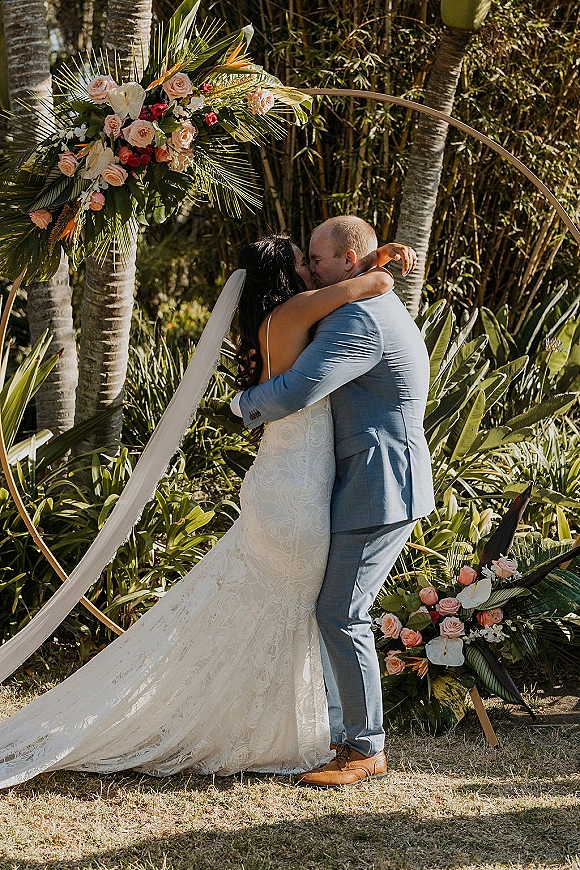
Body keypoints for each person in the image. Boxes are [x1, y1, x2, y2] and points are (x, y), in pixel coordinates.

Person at [0, 234, 398, 788]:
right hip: (296, 496)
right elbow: (367, 284)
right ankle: (318, 736)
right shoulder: (294, 315)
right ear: (284, 275)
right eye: (303, 261)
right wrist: (380, 270)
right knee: (303, 612)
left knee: (280, 612)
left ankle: (292, 731)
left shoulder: (271, 323)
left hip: (283, 486)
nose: (312, 268)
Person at [237, 216, 435, 788]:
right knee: (336, 610)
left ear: (348, 261)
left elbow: (299, 390)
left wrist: (240, 404)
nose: (312, 271)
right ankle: (344, 733)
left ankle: (364, 746)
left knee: (342, 612)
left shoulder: (355, 319)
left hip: (378, 484)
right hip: (369, 479)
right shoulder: (362, 300)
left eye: (319, 261)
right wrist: (379, 264)